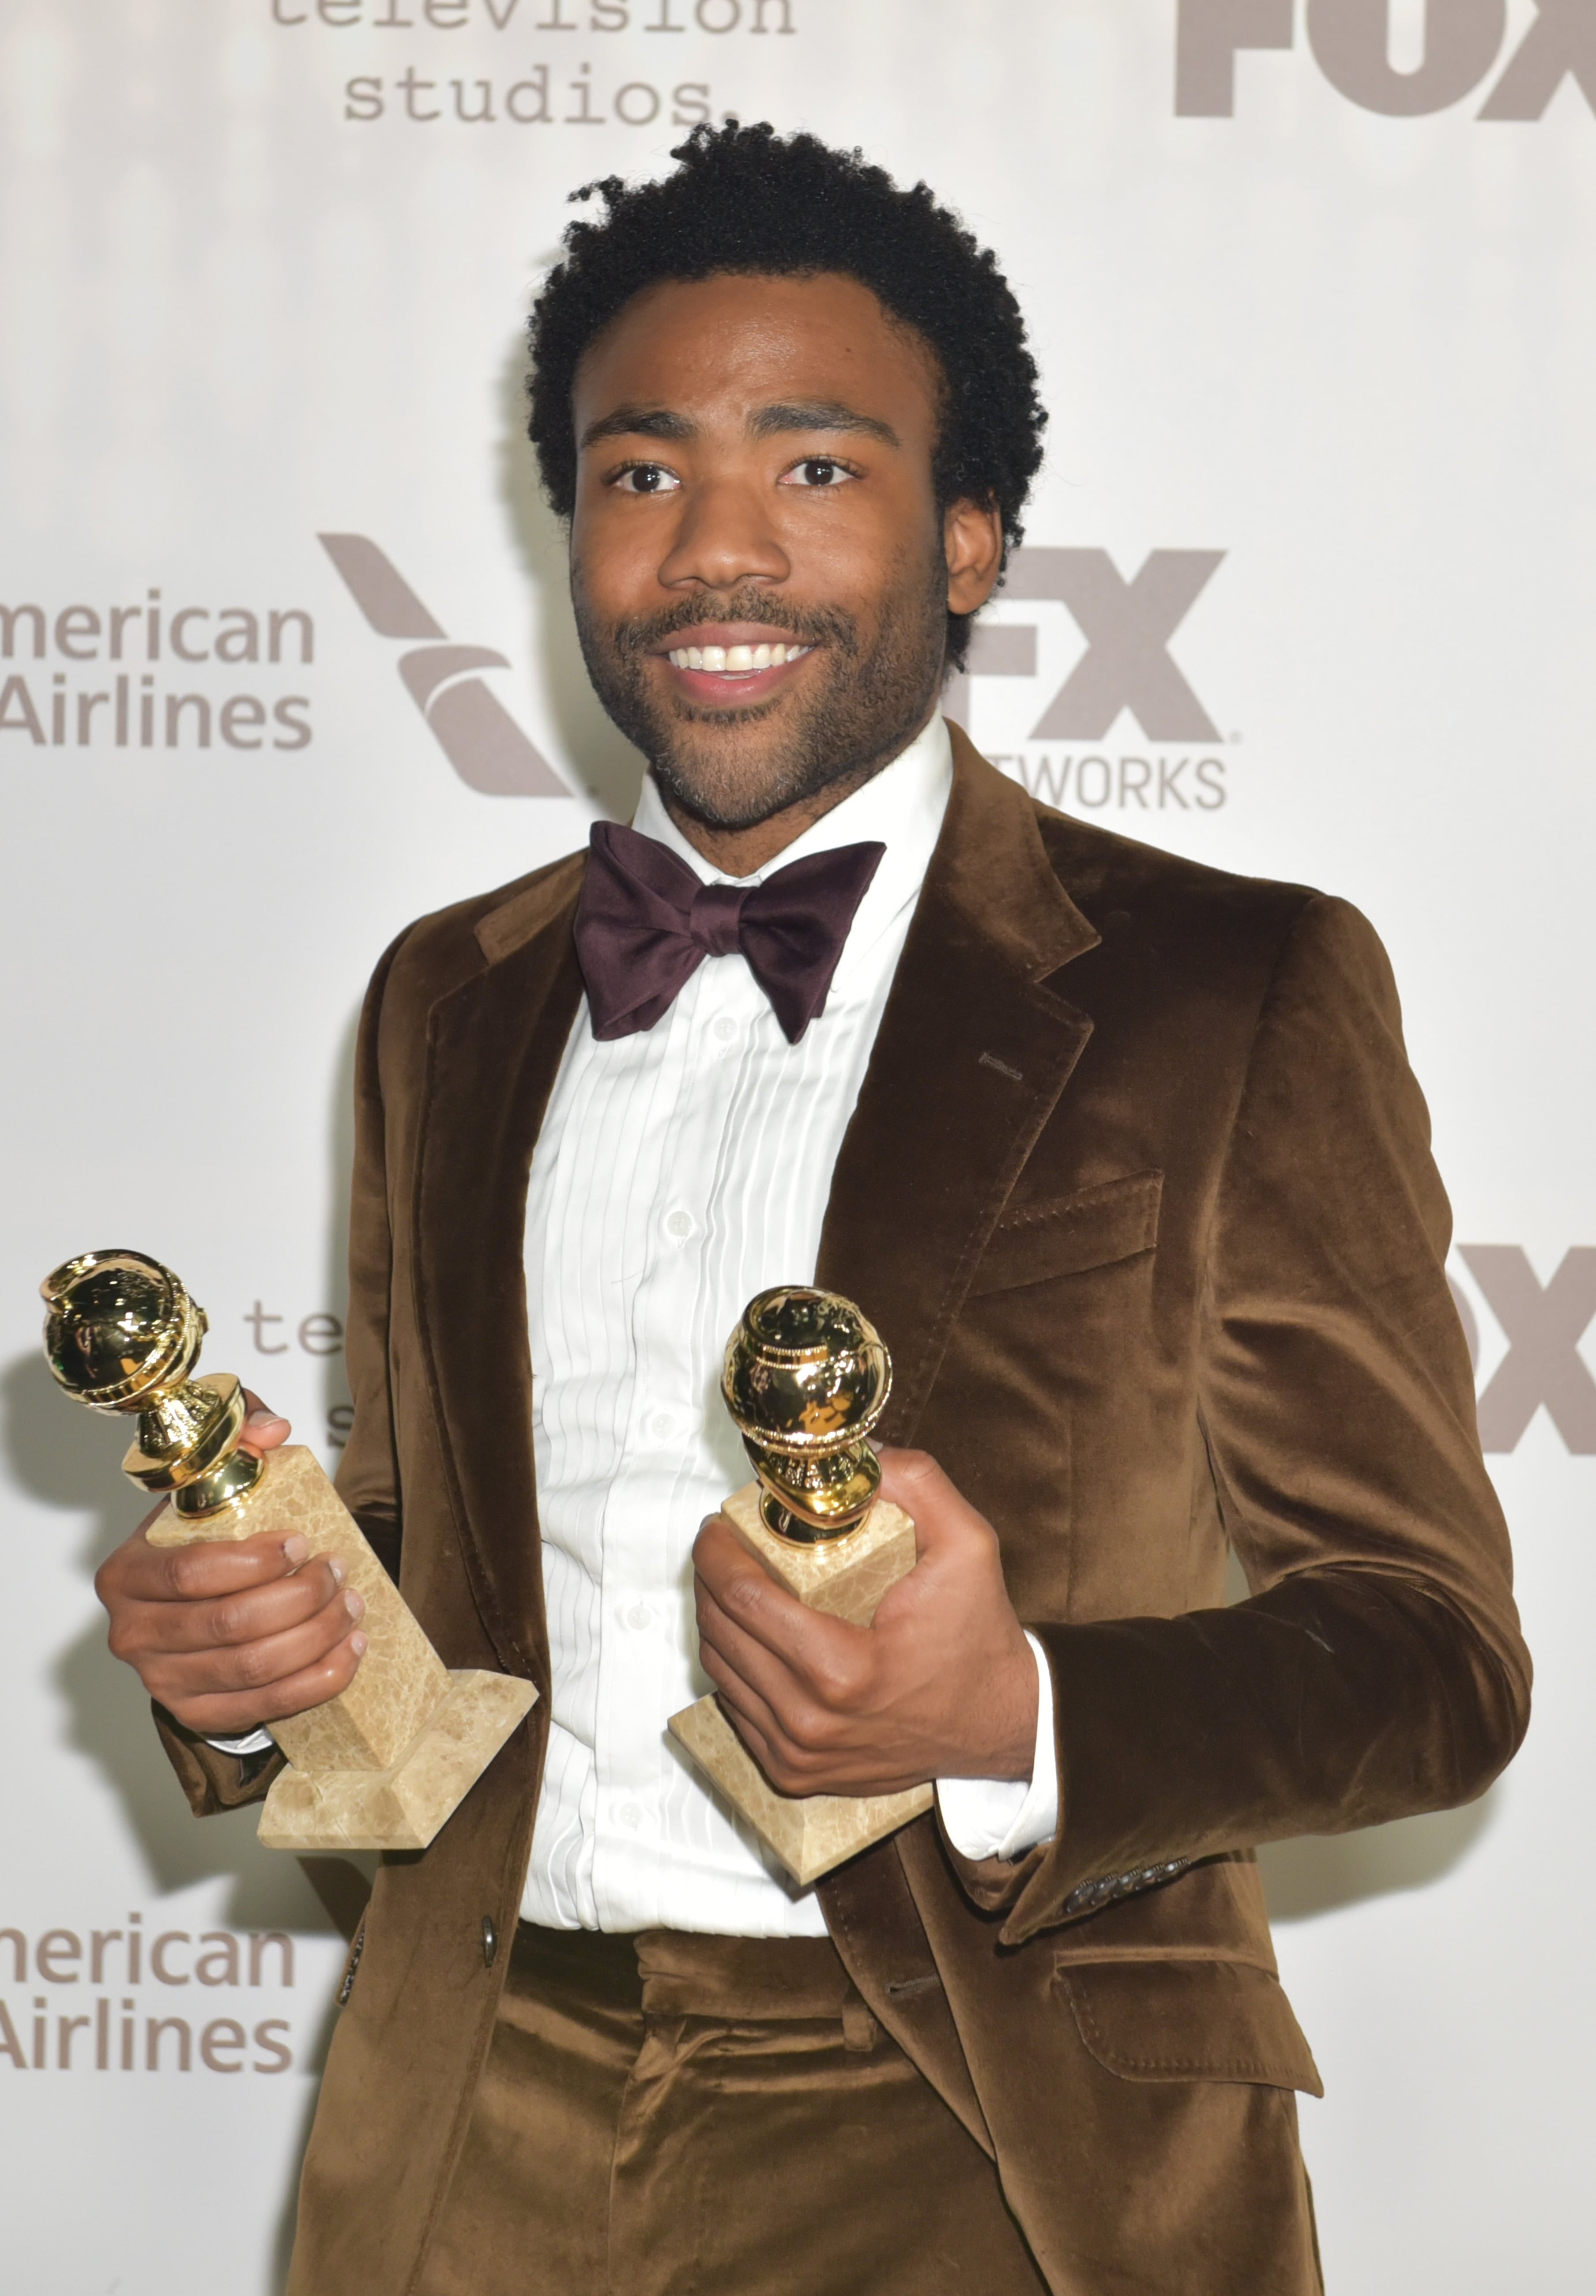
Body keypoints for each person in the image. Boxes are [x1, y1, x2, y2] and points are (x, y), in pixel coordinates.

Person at [93, 124, 1529, 2296]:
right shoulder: (448, 997)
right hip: (469, 2120)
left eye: (819, 467)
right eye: (642, 473)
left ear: (969, 539)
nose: (715, 553)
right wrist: (250, 1661)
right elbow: (415, 1570)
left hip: (991, 2135)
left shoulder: (1229, 989)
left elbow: (1430, 1658)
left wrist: (1011, 1712)